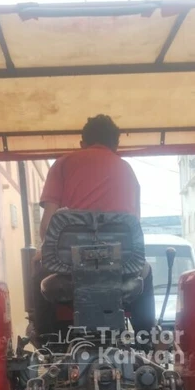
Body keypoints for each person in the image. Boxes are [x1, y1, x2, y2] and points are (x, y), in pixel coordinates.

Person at [34, 115, 156, 344]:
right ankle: (146, 340)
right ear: (115, 146)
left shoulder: (62, 164)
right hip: (120, 271)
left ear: (83, 143)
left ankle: (46, 342)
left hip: (69, 271)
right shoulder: (128, 172)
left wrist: (45, 252)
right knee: (146, 271)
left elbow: (47, 227)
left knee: (37, 269)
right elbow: (134, 232)